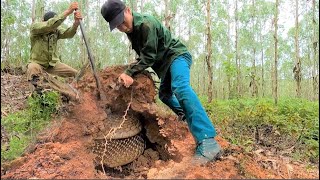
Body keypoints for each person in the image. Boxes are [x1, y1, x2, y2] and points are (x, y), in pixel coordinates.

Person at [100, 0, 222, 164]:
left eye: (122, 21)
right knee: (164, 95)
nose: (122, 27)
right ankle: (186, 116)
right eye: (117, 26)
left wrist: (130, 72)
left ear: (128, 10)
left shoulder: (146, 24)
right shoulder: (131, 31)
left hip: (177, 56)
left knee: (180, 87)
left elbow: (149, 57)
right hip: (165, 66)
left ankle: (208, 141)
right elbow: (144, 54)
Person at [27, 2, 82, 100]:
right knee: (32, 68)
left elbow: (67, 34)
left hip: (53, 64)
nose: (54, 29)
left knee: (77, 74)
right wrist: (68, 11)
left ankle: (78, 94)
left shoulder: (55, 30)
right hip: (38, 63)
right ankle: (37, 97)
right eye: (54, 25)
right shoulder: (35, 28)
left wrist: (76, 24)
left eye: (55, 27)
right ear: (43, 21)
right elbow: (49, 25)